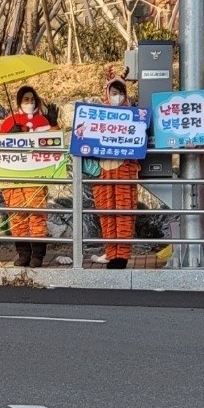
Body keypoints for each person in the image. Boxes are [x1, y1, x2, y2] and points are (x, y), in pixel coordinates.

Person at [0, 85, 52, 268]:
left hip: (36, 176)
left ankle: (37, 255)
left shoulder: (43, 121)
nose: (29, 102)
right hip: (13, 177)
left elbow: (55, 144)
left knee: (37, 214)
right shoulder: (8, 122)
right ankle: (23, 254)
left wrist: (53, 124)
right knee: (17, 215)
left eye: (32, 99)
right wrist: (9, 135)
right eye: (26, 99)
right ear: (19, 102)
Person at [91, 70, 138, 270]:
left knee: (124, 213)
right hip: (103, 171)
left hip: (124, 170)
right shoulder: (96, 116)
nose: (117, 96)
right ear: (107, 94)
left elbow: (140, 142)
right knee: (107, 214)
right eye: (113, 93)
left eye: (120, 93)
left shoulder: (134, 116)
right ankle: (111, 253)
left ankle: (122, 256)